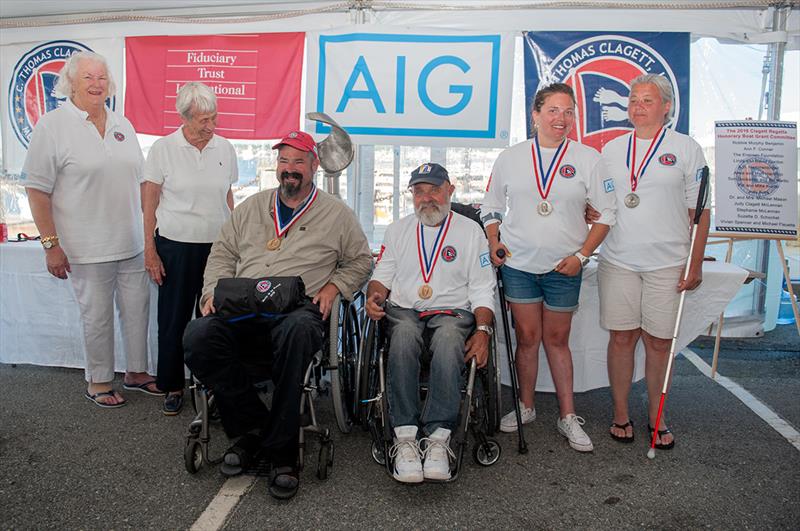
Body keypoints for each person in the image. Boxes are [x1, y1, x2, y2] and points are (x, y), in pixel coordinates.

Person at [183, 130, 372, 499]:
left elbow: (361, 261)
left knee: (300, 331)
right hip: (244, 305)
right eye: (284, 161)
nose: (290, 169)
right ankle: (254, 431)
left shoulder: (336, 213)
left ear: (314, 166)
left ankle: (284, 454)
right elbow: (221, 252)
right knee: (198, 336)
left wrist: (334, 288)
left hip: (296, 312)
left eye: (298, 162)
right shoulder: (252, 207)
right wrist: (210, 292)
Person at [481, 83, 616, 452]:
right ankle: (526, 407)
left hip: (564, 267)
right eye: (553, 110)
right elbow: (490, 207)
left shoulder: (589, 158)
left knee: (557, 341)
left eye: (569, 111)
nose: (562, 118)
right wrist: (495, 242)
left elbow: (607, 212)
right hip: (519, 265)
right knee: (527, 339)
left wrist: (582, 256)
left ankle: (567, 416)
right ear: (536, 115)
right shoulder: (510, 158)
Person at [22, 51, 156, 408]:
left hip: (130, 241)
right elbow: (36, 189)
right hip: (85, 245)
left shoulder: (121, 123)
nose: (97, 84)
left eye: (101, 77)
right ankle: (98, 381)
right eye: (88, 78)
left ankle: (137, 372)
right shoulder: (53, 125)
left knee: (138, 309)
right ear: (71, 83)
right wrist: (51, 244)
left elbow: (143, 181)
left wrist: (148, 235)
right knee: (96, 318)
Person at [365, 162, 496, 483]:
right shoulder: (398, 230)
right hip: (405, 311)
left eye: (434, 190)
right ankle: (406, 436)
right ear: (412, 196)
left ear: (450, 191)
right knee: (405, 332)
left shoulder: (470, 231)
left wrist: (483, 331)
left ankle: (438, 438)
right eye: (419, 191)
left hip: (452, 312)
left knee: (451, 337)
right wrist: (374, 297)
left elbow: (482, 289)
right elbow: (381, 277)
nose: (427, 198)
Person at [598, 74, 709, 450]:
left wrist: (695, 265)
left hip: (668, 261)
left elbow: (700, 212)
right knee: (621, 337)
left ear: (666, 107)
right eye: (632, 100)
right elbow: (601, 202)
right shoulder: (611, 150)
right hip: (619, 259)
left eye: (647, 100)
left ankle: (657, 417)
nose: (637, 106)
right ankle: (620, 414)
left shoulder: (686, 148)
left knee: (660, 343)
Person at [142, 82, 238, 416]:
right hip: (175, 244)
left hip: (217, 246)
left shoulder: (225, 148)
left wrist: (236, 235)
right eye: (202, 121)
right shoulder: (163, 148)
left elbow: (227, 196)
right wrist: (149, 249)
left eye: (213, 118)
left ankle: (213, 384)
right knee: (174, 319)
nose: (210, 127)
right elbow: (149, 203)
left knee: (213, 319)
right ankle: (172, 385)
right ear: (184, 117)